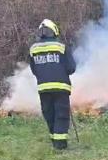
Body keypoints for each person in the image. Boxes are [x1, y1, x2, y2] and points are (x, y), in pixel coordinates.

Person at [29, 19, 77, 150]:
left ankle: (54, 140)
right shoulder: (61, 47)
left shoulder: (33, 49)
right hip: (61, 88)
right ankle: (60, 145)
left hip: (43, 88)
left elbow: (33, 70)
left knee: (49, 114)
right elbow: (71, 68)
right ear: (55, 31)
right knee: (61, 115)